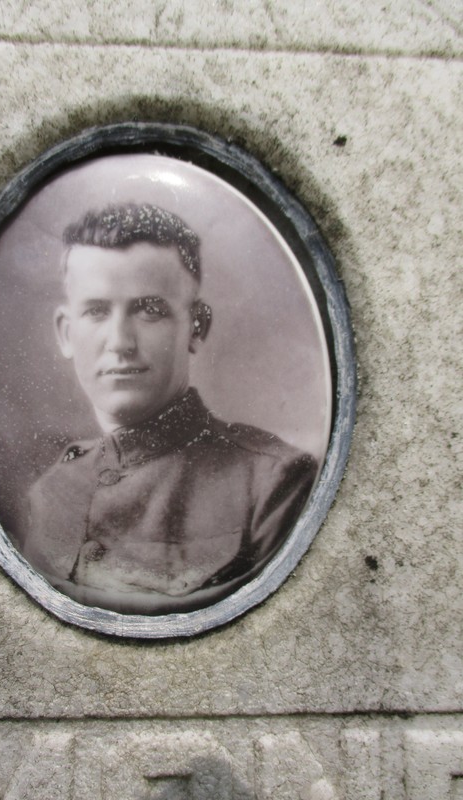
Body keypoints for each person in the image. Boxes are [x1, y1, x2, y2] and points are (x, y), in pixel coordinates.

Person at [23, 203, 317, 614]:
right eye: (96, 311)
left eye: (150, 310)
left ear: (196, 326)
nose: (120, 341)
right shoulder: (53, 491)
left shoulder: (271, 485)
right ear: (67, 333)